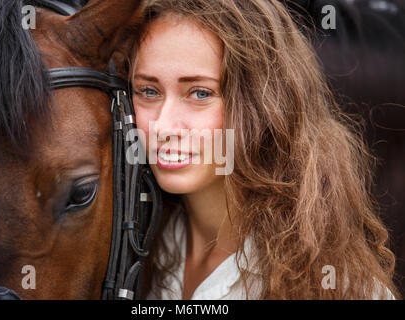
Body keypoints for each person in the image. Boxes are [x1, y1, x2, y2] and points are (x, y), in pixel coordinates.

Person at [122, 0, 401, 299]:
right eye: (148, 91)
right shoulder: (126, 248)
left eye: (200, 93)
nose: (163, 127)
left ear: (262, 106)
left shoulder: (337, 287)